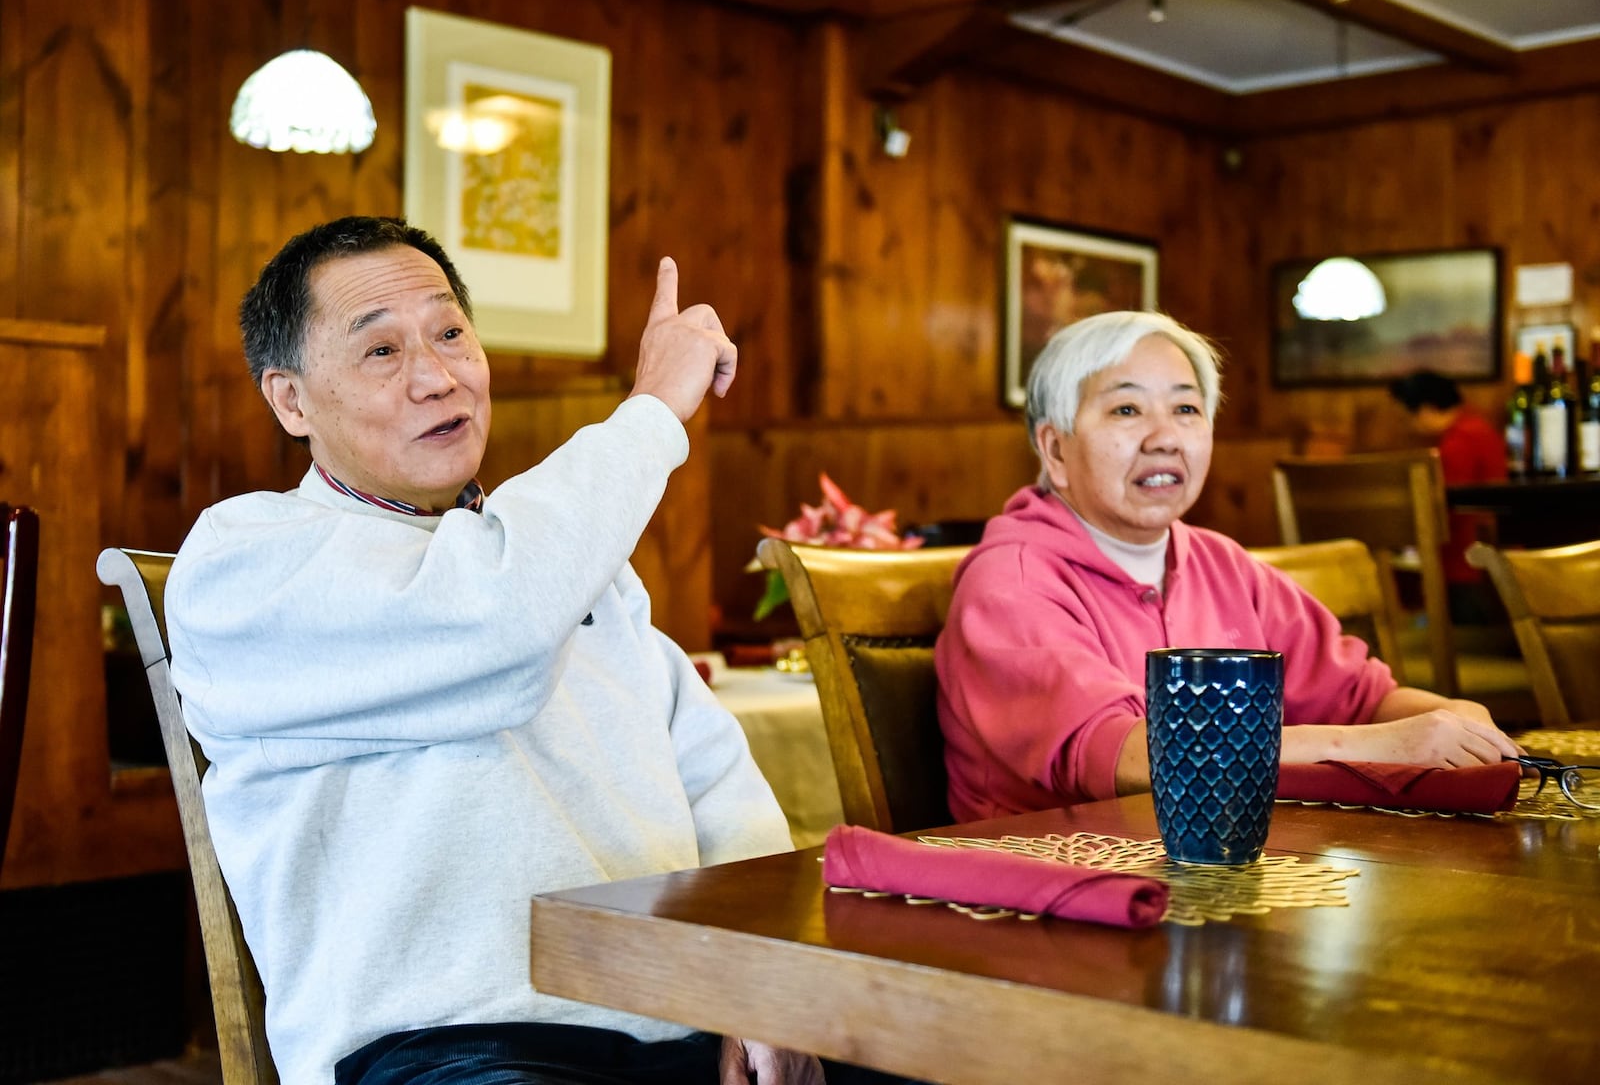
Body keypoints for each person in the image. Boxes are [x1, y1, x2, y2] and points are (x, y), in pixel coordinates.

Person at [164, 216, 839, 1085]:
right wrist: (651, 414)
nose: (438, 377)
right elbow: (501, 627)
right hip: (447, 1049)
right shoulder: (246, 561)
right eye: (381, 352)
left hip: (692, 1036)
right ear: (291, 400)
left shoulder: (558, 555)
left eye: (450, 333)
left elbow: (719, 785)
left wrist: (769, 980)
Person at [934, 311, 1522, 822]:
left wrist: (1451, 717)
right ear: (1055, 450)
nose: (1165, 437)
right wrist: (1390, 746)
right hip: (1042, 900)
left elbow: (1363, 698)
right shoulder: (1011, 582)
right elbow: (1133, 757)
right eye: (1127, 409)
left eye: (1187, 408)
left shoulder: (1223, 564)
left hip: (1213, 872)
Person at [1388, 368, 1508, 622]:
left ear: (1427, 408)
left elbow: (1442, 506)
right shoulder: (1477, 428)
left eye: (1408, 417)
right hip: (1479, 558)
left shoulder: (1460, 441)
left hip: (1465, 562)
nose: (1409, 425)